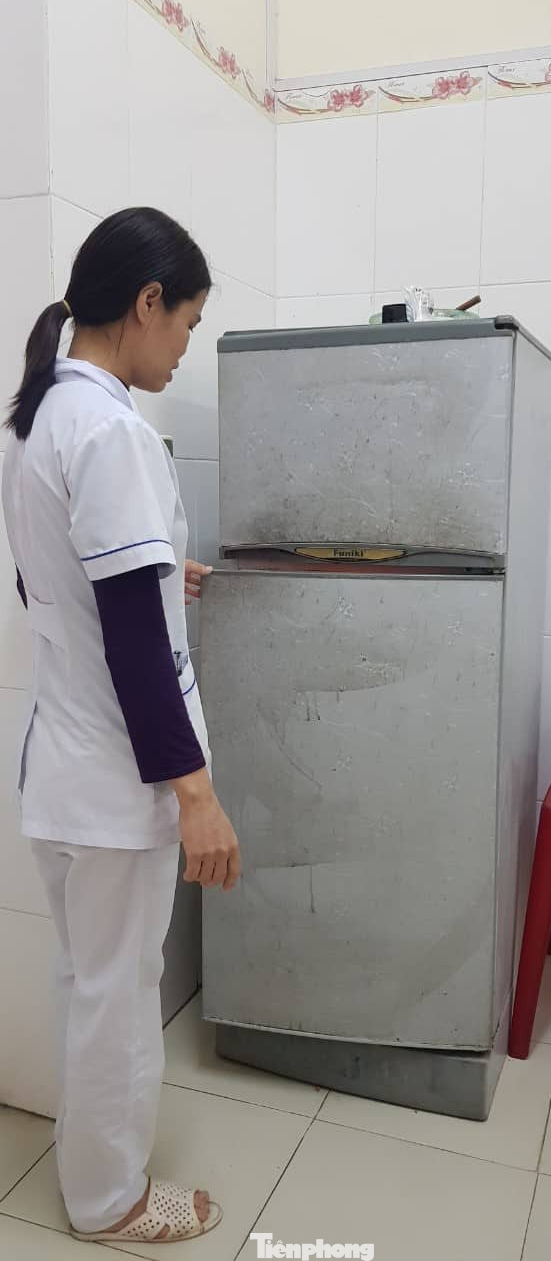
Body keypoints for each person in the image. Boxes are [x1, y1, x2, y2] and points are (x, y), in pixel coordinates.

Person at [2, 207, 241, 1245]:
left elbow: (46, 582)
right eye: (185, 321)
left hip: (62, 771)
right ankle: (112, 1200)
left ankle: (94, 1171)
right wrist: (196, 797)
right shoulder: (113, 431)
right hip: (116, 783)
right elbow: (138, 650)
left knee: (89, 985)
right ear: (146, 303)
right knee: (119, 995)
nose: (184, 344)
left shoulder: (37, 417)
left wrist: (153, 573)